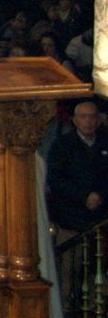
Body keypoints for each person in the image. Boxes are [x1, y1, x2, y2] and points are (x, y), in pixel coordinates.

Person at [47, 97, 108, 232]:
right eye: (83, 117)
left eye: (92, 117)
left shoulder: (105, 142)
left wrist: (100, 195)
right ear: (75, 120)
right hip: (71, 214)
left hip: (102, 212)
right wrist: (84, 196)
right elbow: (55, 179)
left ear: (98, 120)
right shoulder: (61, 145)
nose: (88, 121)